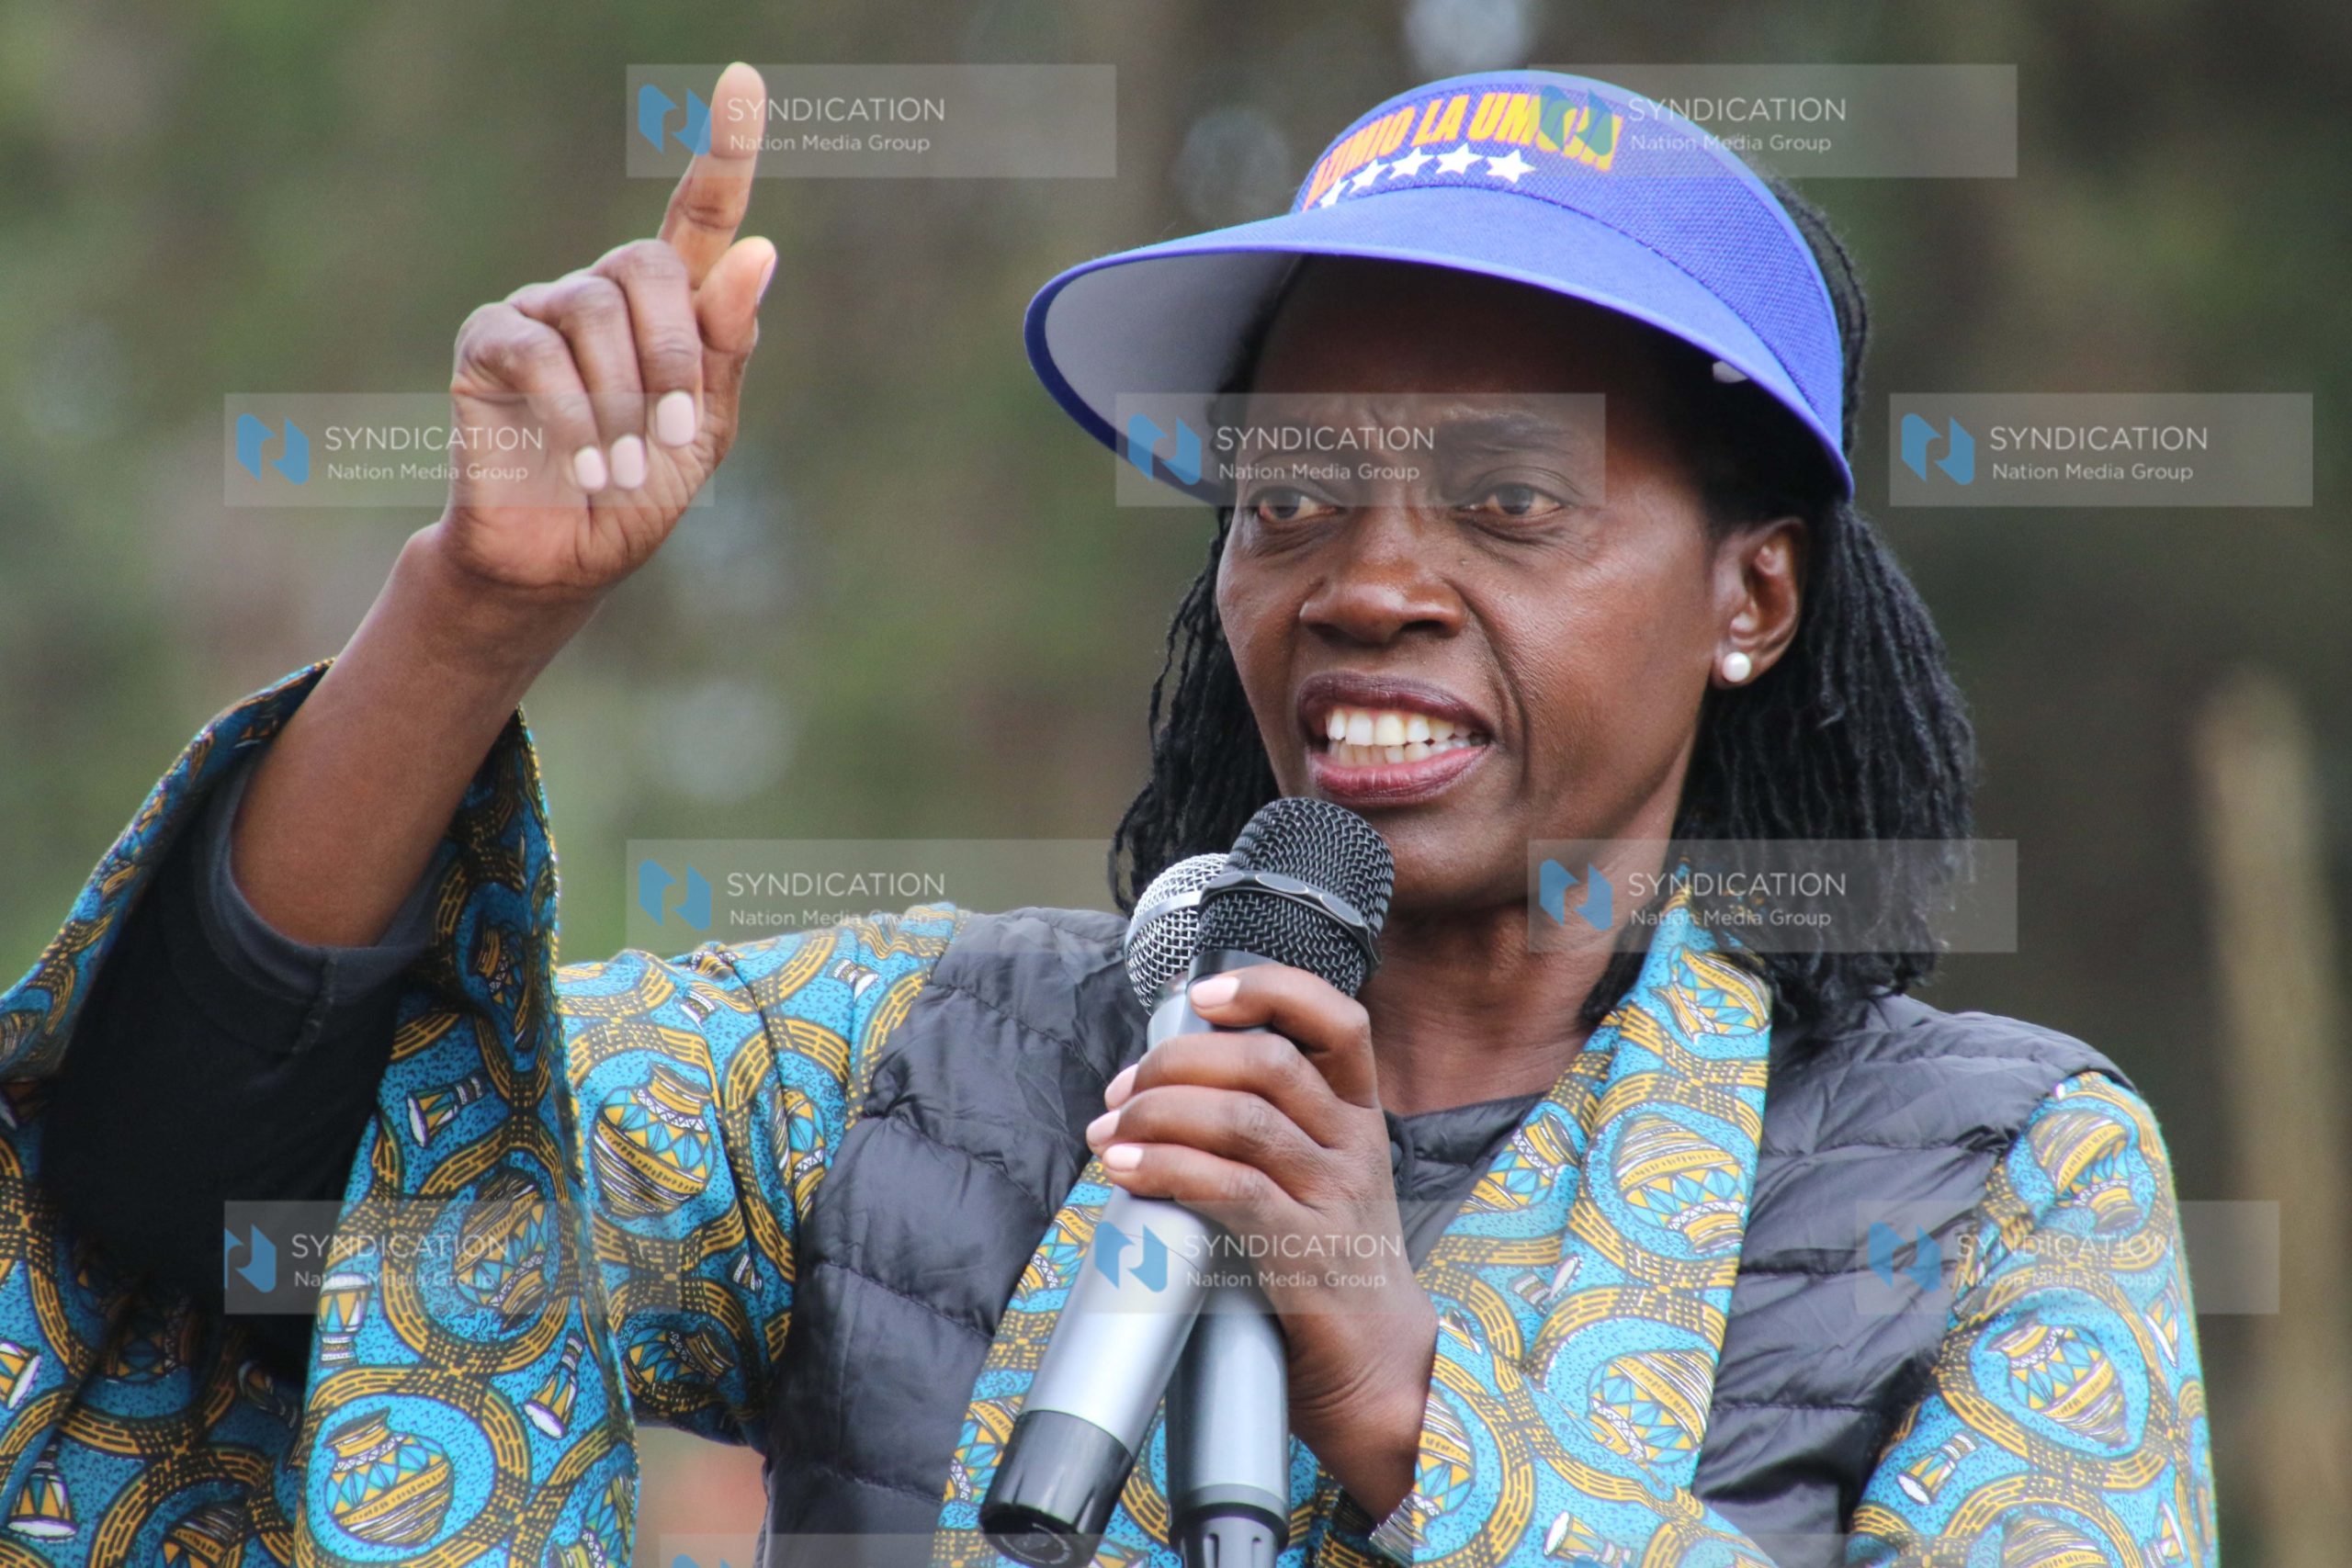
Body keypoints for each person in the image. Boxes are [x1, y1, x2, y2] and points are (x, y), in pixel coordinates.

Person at [0, 66, 2213, 1568]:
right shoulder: (916, 1053)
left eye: (1508, 500)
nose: (1365, 577)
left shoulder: (1997, 1177)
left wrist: (1412, 1396)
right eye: (1287, 497)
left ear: (1750, 592)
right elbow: (191, 1204)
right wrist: (467, 621)